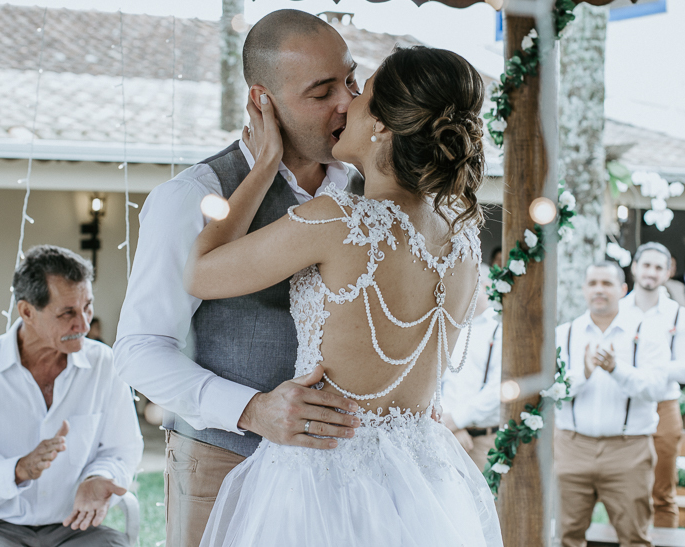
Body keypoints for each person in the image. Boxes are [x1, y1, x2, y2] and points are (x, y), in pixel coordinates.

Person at [184, 46, 502, 546]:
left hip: (322, 478)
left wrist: (264, 164)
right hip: (421, 482)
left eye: (361, 92)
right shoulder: (461, 238)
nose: (346, 104)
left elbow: (199, 273)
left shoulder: (340, 220)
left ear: (382, 125)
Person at [114, 9, 365, 547]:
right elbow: (138, 349)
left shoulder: (366, 192)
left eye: (350, 80)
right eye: (322, 92)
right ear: (262, 101)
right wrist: (252, 410)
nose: (348, 101)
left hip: (342, 473)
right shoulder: (193, 196)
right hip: (223, 464)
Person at [0, 246, 143, 547]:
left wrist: (97, 477)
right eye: (67, 313)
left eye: (87, 307)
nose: (84, 325)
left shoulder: (104, 364)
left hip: (74, 528)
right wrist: (18, 471)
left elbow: (122, 450)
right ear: (27, 312)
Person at [555, 262, 670, 547]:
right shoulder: (565, 333)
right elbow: (552, 391)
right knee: (567, 536)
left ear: (623, 289)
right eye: (593, 283)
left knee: (634, 537)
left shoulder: (647, 331)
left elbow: (656, 388)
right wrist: (583, 373)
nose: (599, 290)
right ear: (583, 289)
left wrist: (616, 369)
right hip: (572, 448)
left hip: (628, 450)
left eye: (607, 284)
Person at [619, 242, 685, 528]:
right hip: (624, 406)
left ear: (668, 272)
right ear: (635, 267)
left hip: (664, 406)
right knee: (621, 490)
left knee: (663, 492)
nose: (651, 272)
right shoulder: (618, 310)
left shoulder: (679, 315)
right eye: (646, 265)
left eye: (658, 267)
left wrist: (647, 373)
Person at [442, 264, 502, 471]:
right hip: (443, 432)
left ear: (486, 286)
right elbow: (433, 379)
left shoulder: (500, 327)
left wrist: (457, 420)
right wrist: (448, 423)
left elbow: (498, 388)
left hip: (483, 441)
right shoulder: (448, 324)